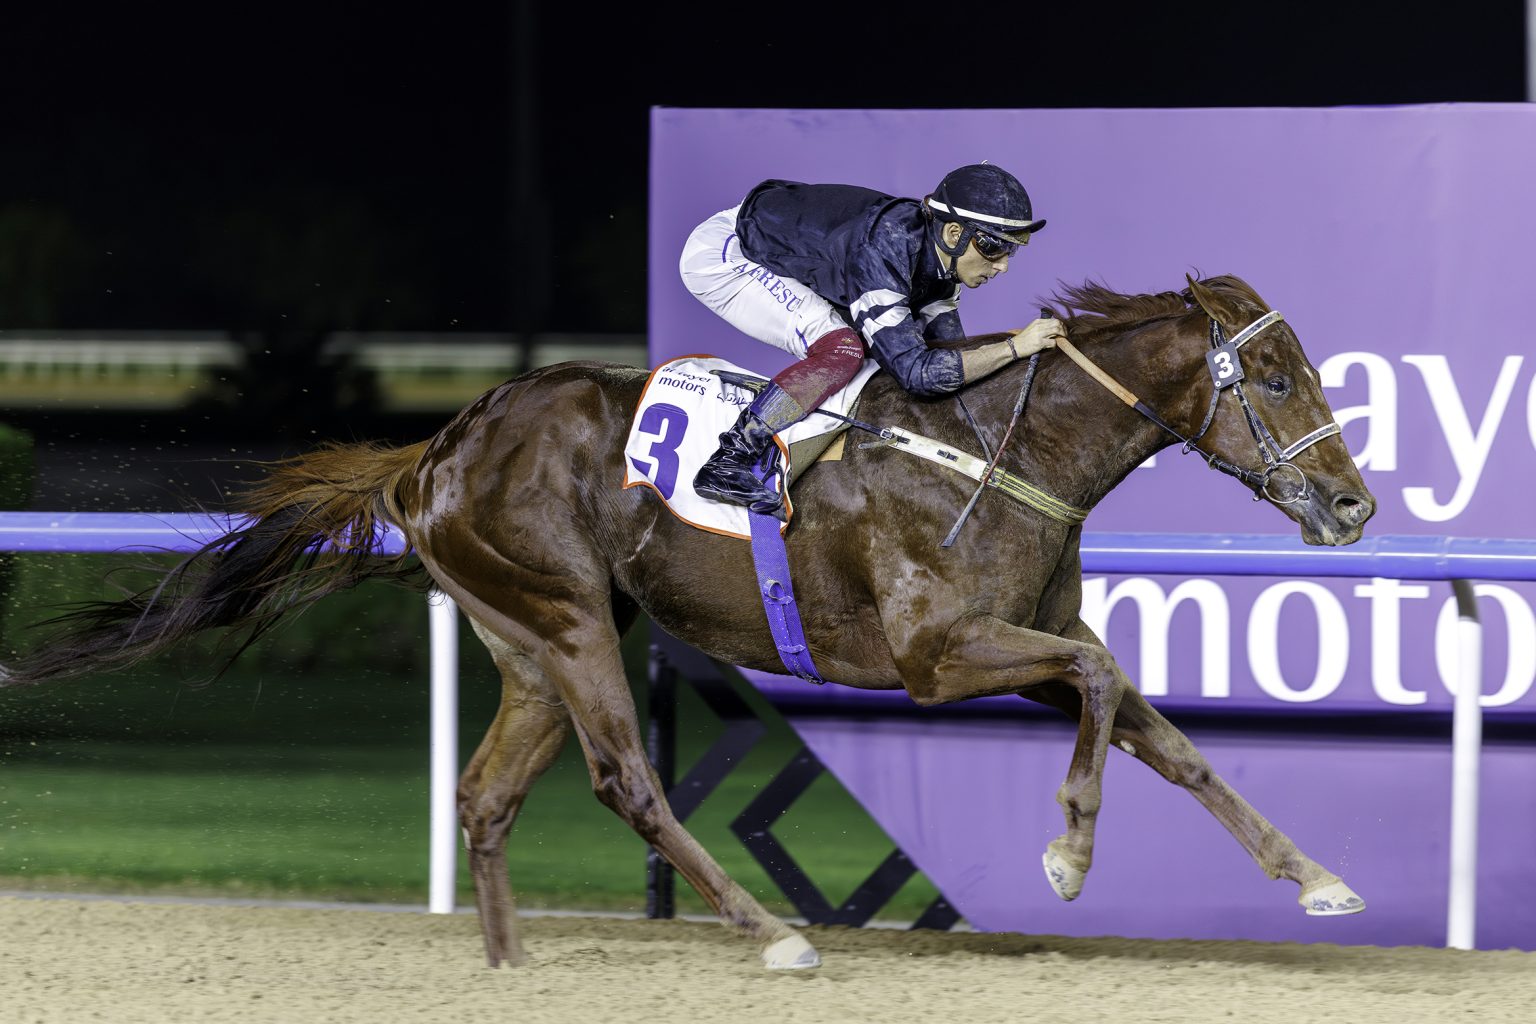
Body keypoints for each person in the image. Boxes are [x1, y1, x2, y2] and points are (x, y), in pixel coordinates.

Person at [678, 162, 1066, 521]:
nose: (1003, 265)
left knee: (881, 358)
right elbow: (919, 375)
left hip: (799, 241)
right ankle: (731, 459)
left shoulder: (939, 264)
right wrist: (1014, 348)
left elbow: (951, 361)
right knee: (844, 351)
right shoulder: (884, 251)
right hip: (729, 253)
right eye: (994, 248)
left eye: (1011, 250)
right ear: (953, 233)